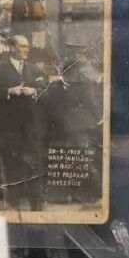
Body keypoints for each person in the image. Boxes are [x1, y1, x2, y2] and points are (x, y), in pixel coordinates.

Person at [0, 35, 48, 211]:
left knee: (34, 163)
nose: (27, 49)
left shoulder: (34, 68)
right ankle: (14, 202)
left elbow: (46, 89)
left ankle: (36, 203)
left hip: (31, 125)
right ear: (12, 48)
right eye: (22, 46)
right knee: (12, 163)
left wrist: (34, 91)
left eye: (27, 46)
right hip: (8, 126)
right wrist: (9, 91)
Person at [38, 45, 104, 204]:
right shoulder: (54, 87)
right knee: (64, 163)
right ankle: (65, 194)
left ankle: (91, 193)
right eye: (63, 72)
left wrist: (96, 122)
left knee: (83, 161)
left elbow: (94, 107)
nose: (65, 75)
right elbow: (46, 106)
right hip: (60, 131)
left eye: (69, 71)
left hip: (79, 131)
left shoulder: (84, 87)